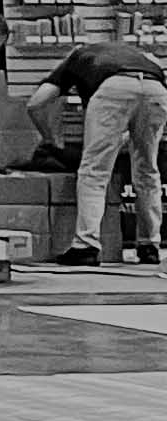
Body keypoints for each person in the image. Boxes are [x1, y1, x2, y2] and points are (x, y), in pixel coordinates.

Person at [48, 36, 166, 269]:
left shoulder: (76, 58)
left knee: (94, 171)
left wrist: (51, 138)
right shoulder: (136, 55)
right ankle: (150, 245)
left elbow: (36, 102)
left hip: (113, 90)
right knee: (147, 169)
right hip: (156, 89)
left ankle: (86, 246)